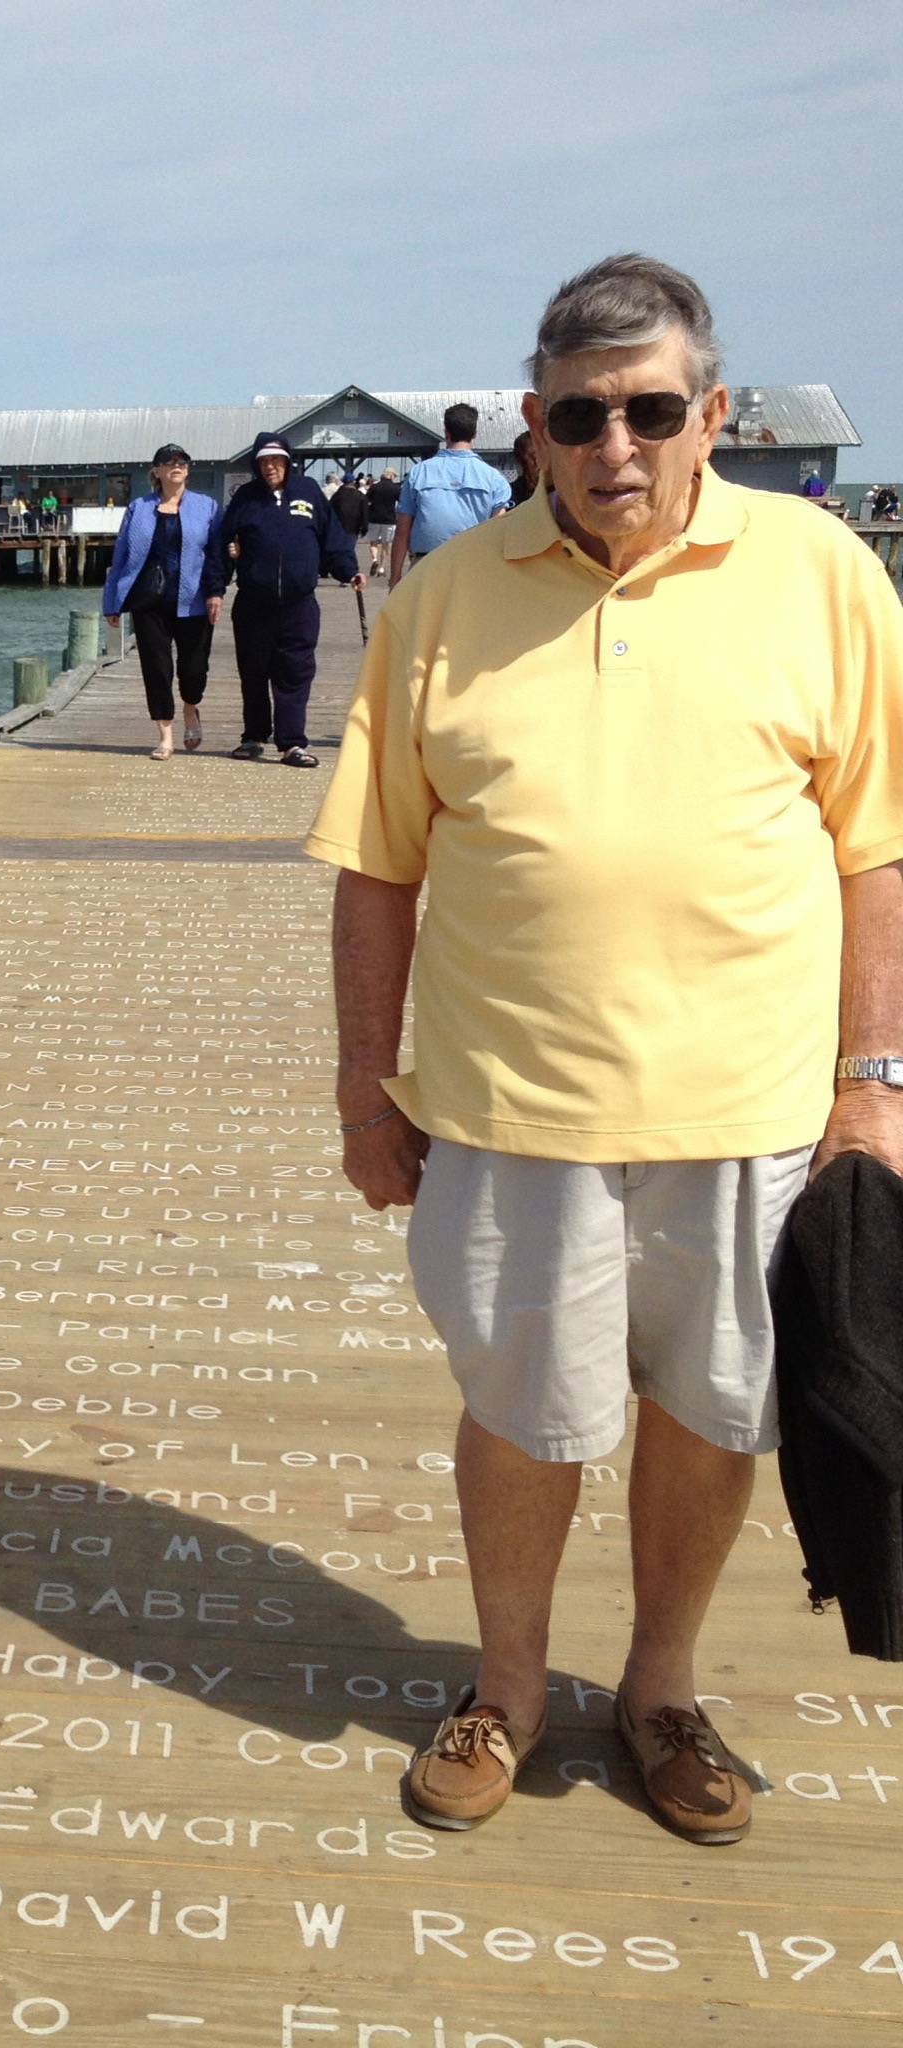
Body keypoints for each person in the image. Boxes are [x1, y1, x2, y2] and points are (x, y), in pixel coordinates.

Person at [306, 252, 903, 1847]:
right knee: (520, 1412)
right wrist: (366, 1091)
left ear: (714, 412)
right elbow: (377, 870)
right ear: (535, 424)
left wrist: (874, 1083)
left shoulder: (824, 573)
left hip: (757, 1108)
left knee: (713, 1414)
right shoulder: (444, 598)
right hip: (514, 1108)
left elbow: (876, 849)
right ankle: (505, 1686)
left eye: (649, 410)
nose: (614, 446)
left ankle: (662, 1690)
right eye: (579, 416)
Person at [207, 432, 363, 767]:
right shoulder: (245, 498)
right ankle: (253, 736)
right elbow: (223, 547)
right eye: (264, 462)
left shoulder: (308, 491)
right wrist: (216, 589)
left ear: (288, 462)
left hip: (299, 603)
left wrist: (349, 571)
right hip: (253, 603)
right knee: (254, 671)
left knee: (295, 672)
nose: (270, 467)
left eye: (276, 460)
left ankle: (292, 743)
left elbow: (332, 539)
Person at [102, 444, 222, 759]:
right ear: (156, 470)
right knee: (156, 668)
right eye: (168, 462)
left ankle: (190, 707)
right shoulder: (138, 508)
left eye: (182, 461)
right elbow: (121, 556)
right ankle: (165, 735)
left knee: (194, 670)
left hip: (193, 599)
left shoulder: (207, 506)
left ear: (188, 469)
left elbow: (216, 555)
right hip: (148, 600)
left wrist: (216, 592)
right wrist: (112, 602)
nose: (175, 466)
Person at [390, 403, 512, 584]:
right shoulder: (494, 478)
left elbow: (402, 531)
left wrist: (395, 578)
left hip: (426, 565)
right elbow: (498, 532)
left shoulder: (419, 473)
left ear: (446, 432)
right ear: (474, 434)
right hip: (474, 566)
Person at [364, 468, 400, 576]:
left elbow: (367, 501)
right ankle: (381, 569)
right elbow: (401, 502)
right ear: (391, 476)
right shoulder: (396, 488)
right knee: (385, 545)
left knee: (373, 543)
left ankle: (374, 559)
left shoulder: (374, 487)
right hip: (389, 520)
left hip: (374, 519)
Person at [330, 471, 370, 560]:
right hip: (354, 527)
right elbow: (365, 513)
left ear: (343, 481)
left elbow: (330, 511)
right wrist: (364, 529)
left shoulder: (337, 495)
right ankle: (348, 565)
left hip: (339, 527)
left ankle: (341, 564)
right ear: (354, 482)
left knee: (339, 548)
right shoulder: (360, 496)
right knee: (350, 548)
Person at [508, 429, 540, 506]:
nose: (541, 462)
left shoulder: (560, 491)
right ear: (520, 463)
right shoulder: (509, 496)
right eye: (535, 457)